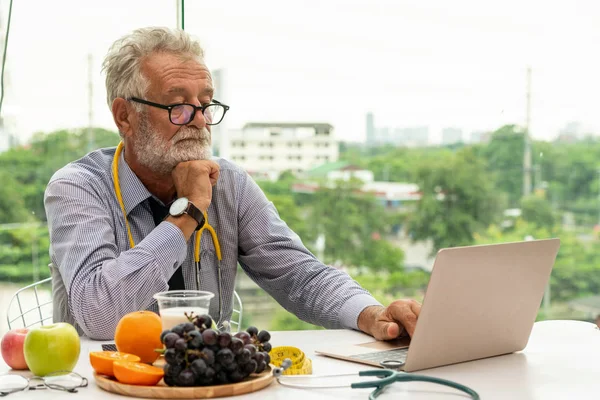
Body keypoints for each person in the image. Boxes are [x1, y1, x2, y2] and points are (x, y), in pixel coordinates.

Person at [44, 26, 421, 341]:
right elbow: (99, 313)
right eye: (178, 106)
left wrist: (371, 313)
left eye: (205, 104)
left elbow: (299, 275)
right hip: (105, 385)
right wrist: (189, 211)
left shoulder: (229, 183)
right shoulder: (78, 187)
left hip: (213, 380)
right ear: (125, 116)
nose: (199, 121)